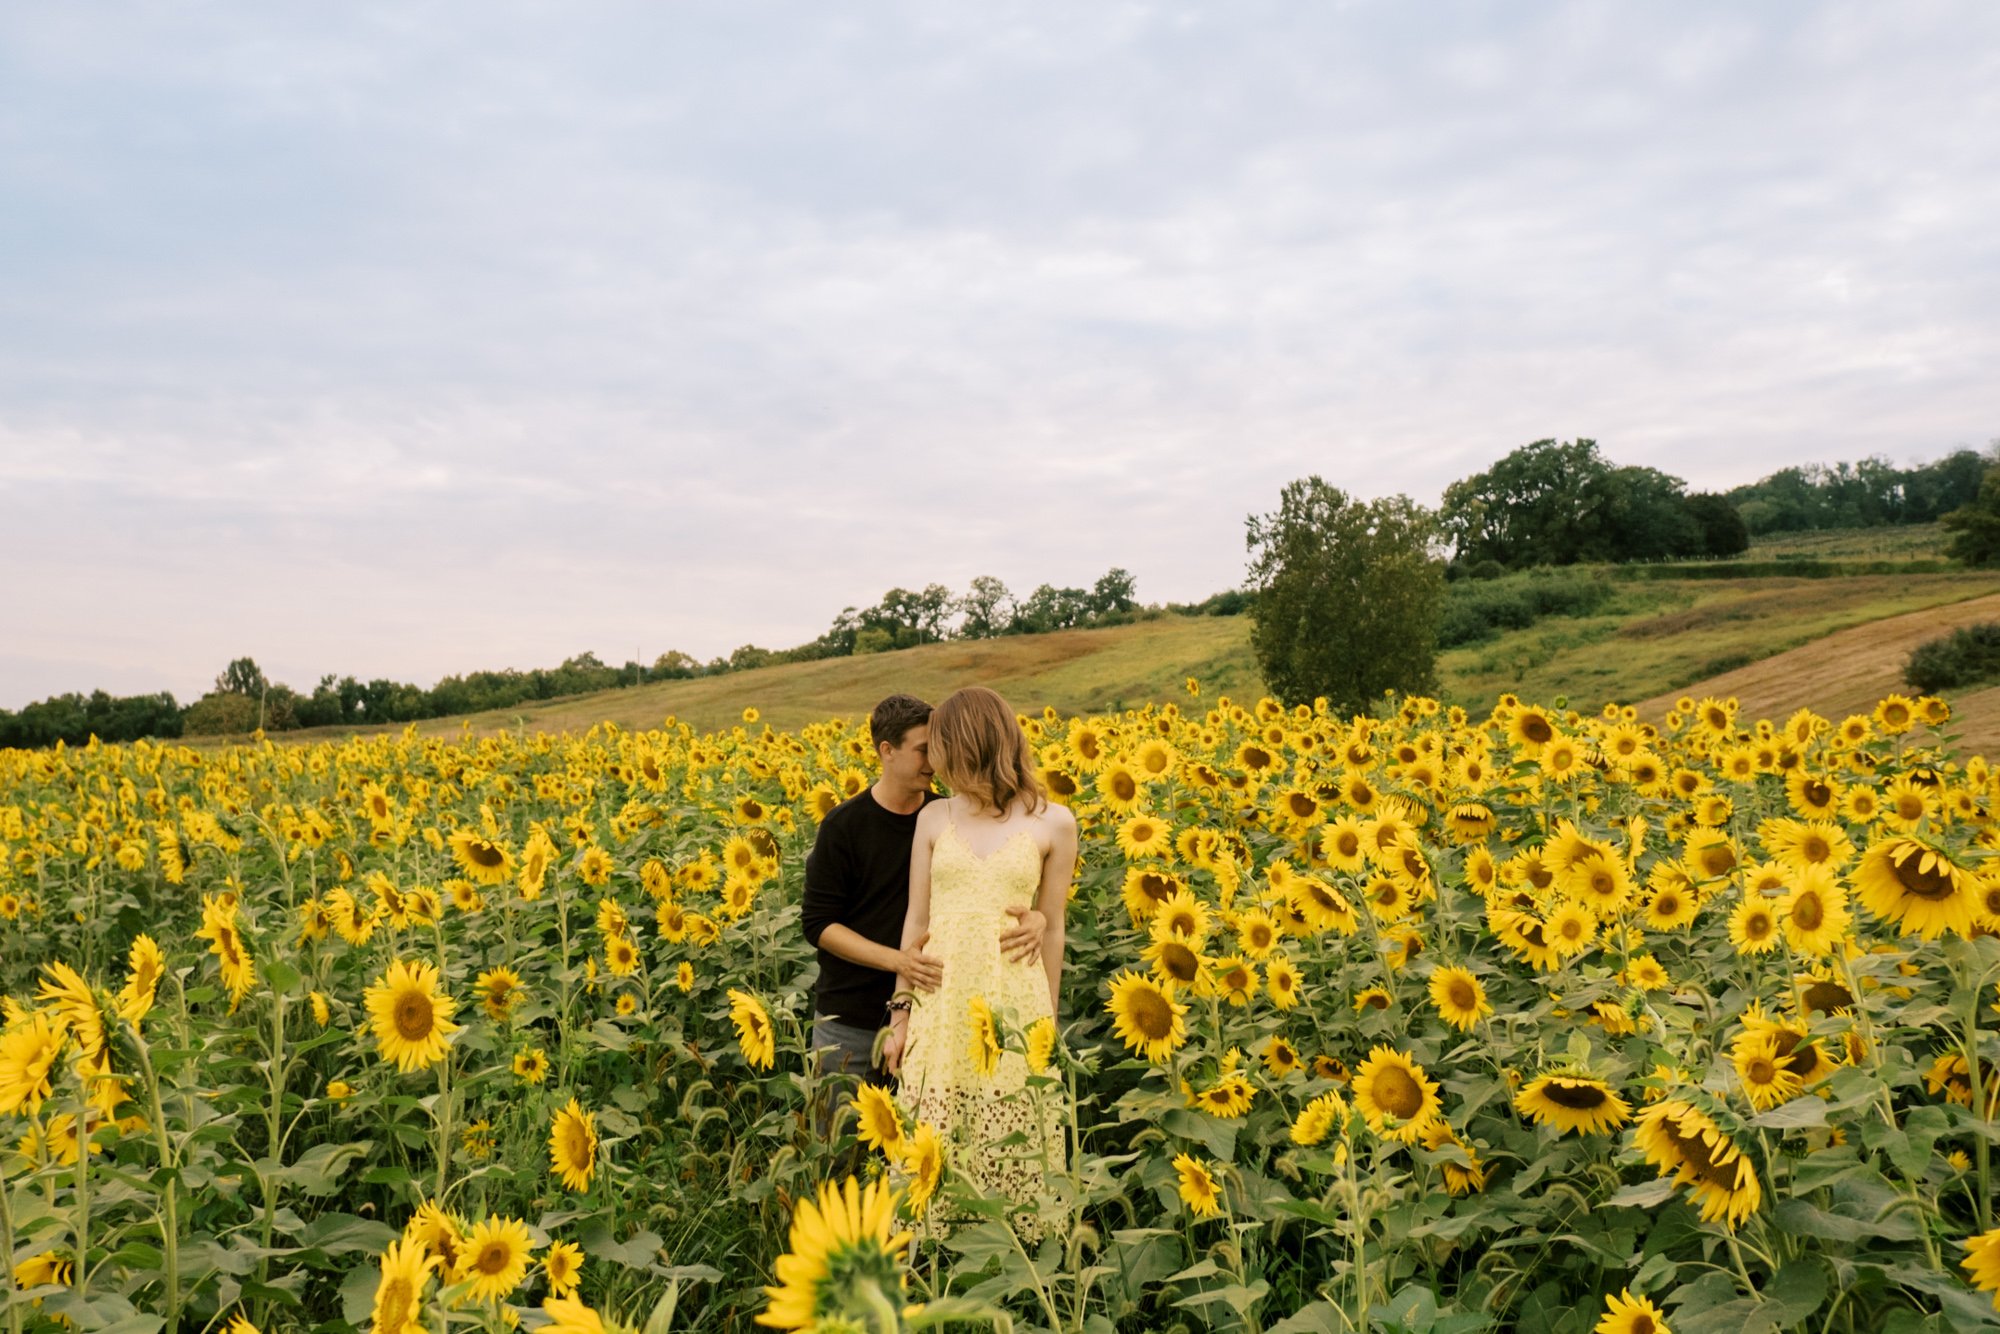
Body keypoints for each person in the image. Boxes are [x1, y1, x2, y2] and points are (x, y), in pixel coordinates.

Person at [885, 685, 1077, 1243]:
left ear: (968, 744)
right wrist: (899, 1016)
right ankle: (934, 1260)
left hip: (1015, 998)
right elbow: (915, 922)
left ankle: (1015, 1265)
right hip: (940, 998)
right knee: (933, 1132)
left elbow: (1054, 924)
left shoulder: (1055, 822)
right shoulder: (933, 817)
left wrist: (1050, 1022)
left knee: (1015, 1128)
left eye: (940, 745)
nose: (933, 760)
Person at [800, 694, 1047, 1102]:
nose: (935, 762)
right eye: (922, 750)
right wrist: (898, 961)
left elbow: (994, 883)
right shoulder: (844, 826)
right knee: (836, 1147)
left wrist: (1036, 918)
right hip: (852, 1015)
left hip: (934, 1014)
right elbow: (819, 924)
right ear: (887, 751)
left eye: (939, 748)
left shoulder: (949, 815)